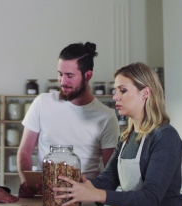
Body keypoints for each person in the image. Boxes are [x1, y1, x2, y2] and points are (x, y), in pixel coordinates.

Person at [53, 62, 182, 206]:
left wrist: (95, 195)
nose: (115, 97)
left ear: (145, 93)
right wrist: (78, 185)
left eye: (123, 90)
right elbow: (109, 180)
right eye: (116, 90)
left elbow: (149, 199)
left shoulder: (165, 137)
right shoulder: (126, 137)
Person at [17, 42, 120, 197]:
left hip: (87, 203)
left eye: (70, 76)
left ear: (88, 75)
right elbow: (25, 151)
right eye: (60, 74)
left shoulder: (106, 116)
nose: (63, 82)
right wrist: (26, 181)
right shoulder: (42, 103)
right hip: (45, 197)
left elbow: (109, 171)